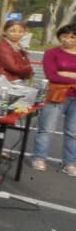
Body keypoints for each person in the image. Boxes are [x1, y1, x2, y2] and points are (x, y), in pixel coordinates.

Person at [31, 23, 76, 175]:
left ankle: (70, 162)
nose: (67, 40)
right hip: (55, 95)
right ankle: (39, 157)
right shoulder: (52, 53)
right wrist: (73, 76)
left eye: (72, 37)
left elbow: (59, 75)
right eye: (64, 36)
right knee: (46, 129)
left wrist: (65, 74)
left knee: (73, 132)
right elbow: (51, 75)